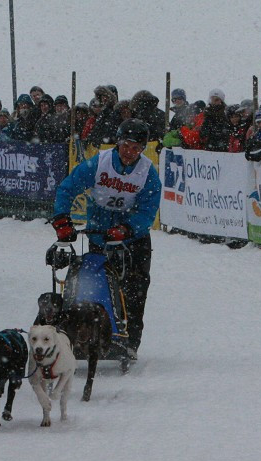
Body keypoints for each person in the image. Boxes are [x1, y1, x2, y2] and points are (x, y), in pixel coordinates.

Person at [49, 119, 161, 361]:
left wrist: (128, 228)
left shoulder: (147, 173)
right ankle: (90, 331)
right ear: (118, 143)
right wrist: (61, 219)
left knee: (135, 288)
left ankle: (131, 340)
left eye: (136, 149)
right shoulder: (99, 163)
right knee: (96, 283)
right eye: (126, 146)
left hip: (134, 239)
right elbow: (68, 187)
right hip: (100, 230)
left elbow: (148, 210)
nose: (130, 153)